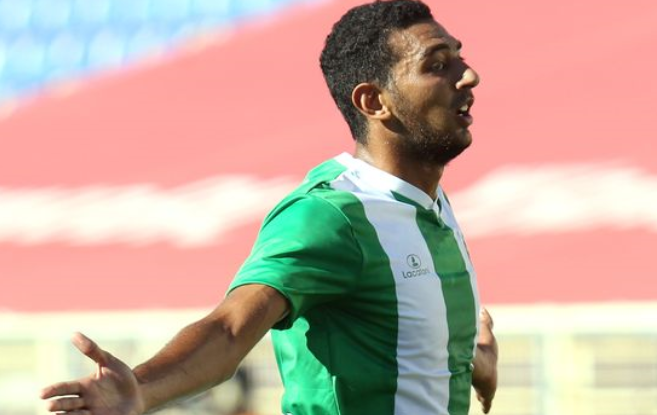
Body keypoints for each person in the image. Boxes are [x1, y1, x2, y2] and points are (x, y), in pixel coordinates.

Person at [40, 1, 498, 414]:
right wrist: (142, 390)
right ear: (374, 101)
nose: (469, 75)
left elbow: (409, 332)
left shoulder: (427, 203)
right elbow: (229, 329)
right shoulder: (332, 215)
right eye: (437, 65)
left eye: (459, 56)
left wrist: (474, 362)